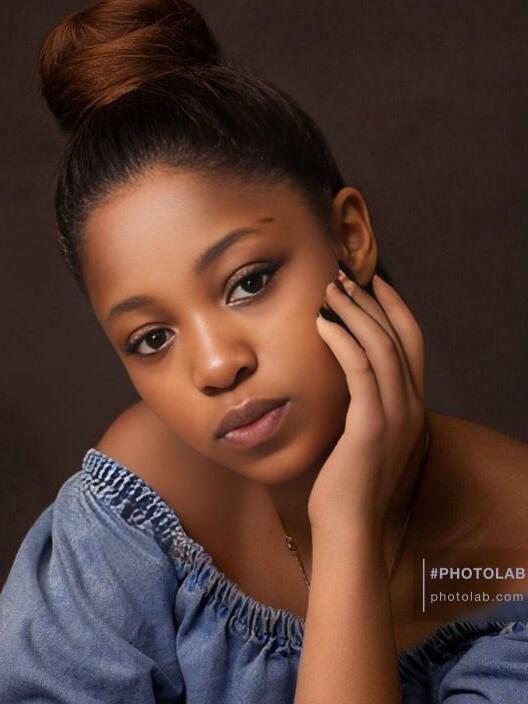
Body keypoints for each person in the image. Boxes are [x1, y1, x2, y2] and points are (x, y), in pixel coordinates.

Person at [1, 0, 528, 701]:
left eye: (248, 282)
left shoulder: (512, 548)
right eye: (152, 338)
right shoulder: (141, 509)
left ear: (349, 236)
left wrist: (345, 525)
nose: (217, 366)